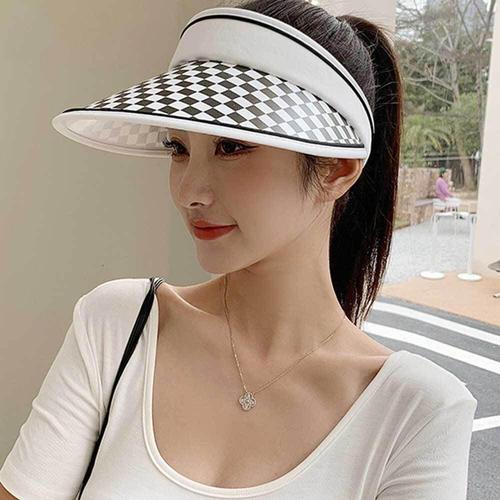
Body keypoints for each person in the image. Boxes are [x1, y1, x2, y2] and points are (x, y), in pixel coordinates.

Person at [0, 1, 477, 499]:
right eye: (178, 147)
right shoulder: (118, 326)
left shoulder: (416, 413)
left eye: (231, 146)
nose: (189, 191)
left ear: (336, 168)